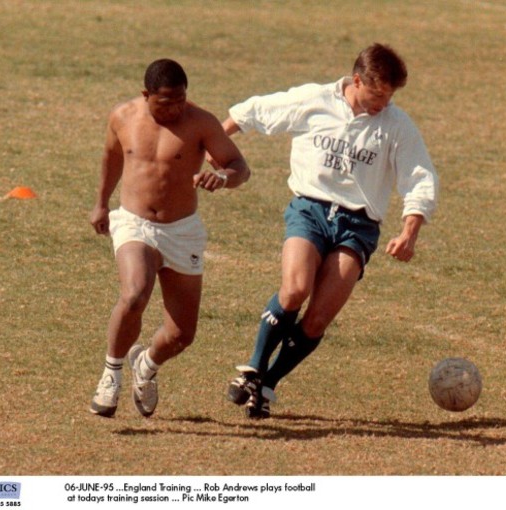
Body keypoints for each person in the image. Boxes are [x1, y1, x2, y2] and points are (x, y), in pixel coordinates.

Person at [214, 43, 438, 419]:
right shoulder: (314, 100)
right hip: (310, 210)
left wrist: (410, 230)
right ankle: (252, 368)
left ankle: (267, 384)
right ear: (356, 80)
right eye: (378, 93)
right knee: (295, 289)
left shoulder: (396, 126)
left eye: (391, 96)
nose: (384, 103)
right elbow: (257, 110)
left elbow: (420, 177)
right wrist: (216, 141)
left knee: (318, 318)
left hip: (358, 227)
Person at [89, 58, 250, 418]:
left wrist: (223, 177)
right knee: (134, 293)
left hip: (182, 230)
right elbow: (112, 157)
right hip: (135, 222)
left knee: (181, 335)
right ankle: (110, 375)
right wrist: (101, 204)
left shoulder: (201, 122)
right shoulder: (123, 117)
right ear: (146, 95)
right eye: (165, 102)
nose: (175, 108)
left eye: (180, 100)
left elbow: (240, 167)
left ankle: (144, 365)